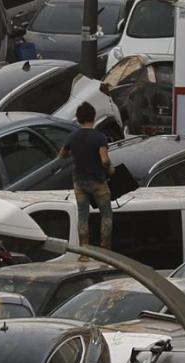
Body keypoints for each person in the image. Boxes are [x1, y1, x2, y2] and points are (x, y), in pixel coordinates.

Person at [59, 102, 113, 252]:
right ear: (93, 117)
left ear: (78, 118)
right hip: (97, 182)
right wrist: (109, 168)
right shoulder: (100, 137)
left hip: (79, 182)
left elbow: (62, 155)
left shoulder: (72, 137)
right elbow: (104, 160)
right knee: (106, 215)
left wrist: (75, 152)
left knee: (83, 216)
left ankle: (84, 251)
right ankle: (105, 250)